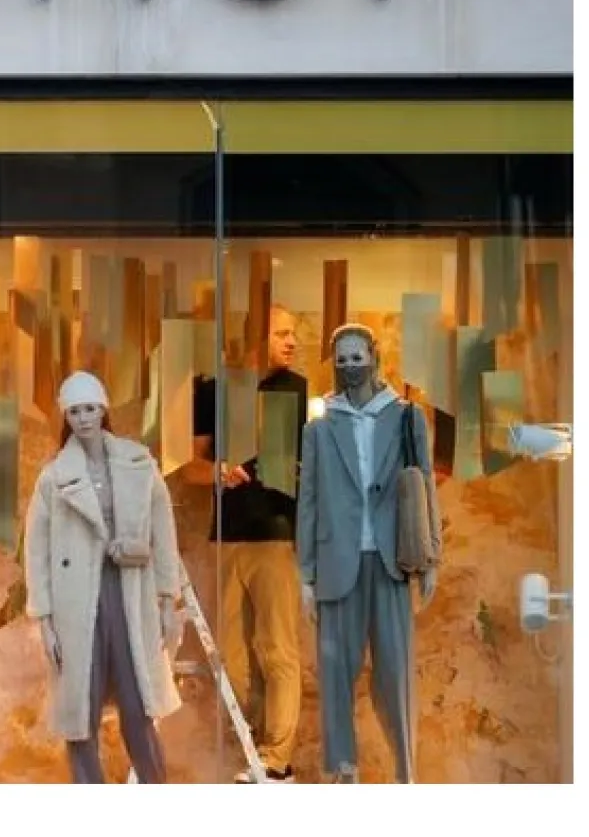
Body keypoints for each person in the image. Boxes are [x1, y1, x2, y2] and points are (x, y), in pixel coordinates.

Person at [297, 324, 439, 784]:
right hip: (338, 562)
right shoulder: (319, 427)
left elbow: (425, 488)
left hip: (389, 560)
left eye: (358, 357)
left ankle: (405, 768)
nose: (351, 366)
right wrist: (306, 572)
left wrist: (430, 556)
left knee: (395, 671)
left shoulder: (403, 416)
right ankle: (342, 770)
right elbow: (310, 500)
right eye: (343, 358)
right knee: (335, 670)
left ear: (374, 357)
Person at [25, 371, 182, 783]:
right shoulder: (53, 478)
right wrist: (44, 620)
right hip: (76, 600)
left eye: (91, 408)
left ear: (104, 408)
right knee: (80, 709)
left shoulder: (139, 463)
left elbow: (164, 534)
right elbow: (36, 551)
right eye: (75, 411)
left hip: (130, 591)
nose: (84, 418)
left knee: (139, 704)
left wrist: (169, 601)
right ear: (66, 416)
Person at [191, 305, 307, 782]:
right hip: (226, 538)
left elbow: (300, 463)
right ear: (256, 339)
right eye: (282, 332)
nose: (292, 341)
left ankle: (276, 758)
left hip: (275, 534)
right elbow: (190, 466)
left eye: (293, 333)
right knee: (233, 661)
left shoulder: (294, 388)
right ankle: (257, 748)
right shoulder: (214, 389)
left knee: (277, 649)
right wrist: (218, 472)